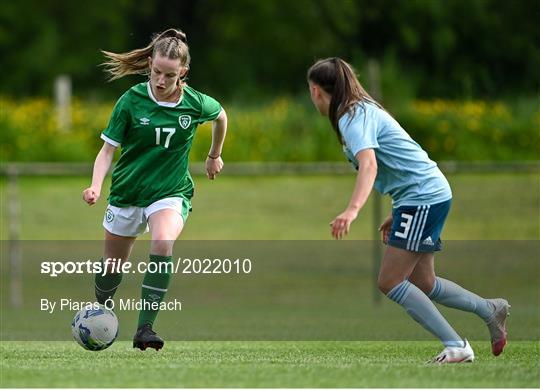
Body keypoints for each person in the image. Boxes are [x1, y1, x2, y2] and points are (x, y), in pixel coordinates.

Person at [307, 57, 510, 363]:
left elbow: (370, 164)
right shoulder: (357, 111)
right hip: (423, 195)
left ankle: (456, 345)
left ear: (317, 91)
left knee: (390, 281)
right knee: (424, 283)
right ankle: (489, 310)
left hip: (423, 197)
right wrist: (399, 209)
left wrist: (352, 210)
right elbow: (399, 163)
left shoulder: (352, 116)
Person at [82, 28, 227, 351]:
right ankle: (101, 308)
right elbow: (107, 151)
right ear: (149, 64)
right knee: (111, 268)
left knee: (162, 242)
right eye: (157, 72)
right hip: (127, 193)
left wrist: (214, 155)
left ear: (183, 73)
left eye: (170, 75)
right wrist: (95, 185)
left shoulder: (194, 103)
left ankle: (145, 329)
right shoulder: (131, 101)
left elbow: (221, 116)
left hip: (170, 191)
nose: (161, 80)